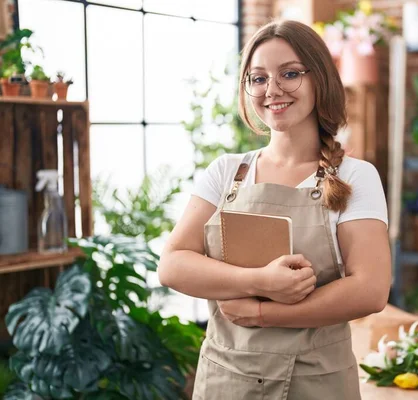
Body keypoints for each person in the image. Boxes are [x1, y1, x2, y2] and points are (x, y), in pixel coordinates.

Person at [158, 19, 391, 400]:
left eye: (290, 74)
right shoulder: (226, 172)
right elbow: (172, 264)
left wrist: (265, 314)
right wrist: (261, 282)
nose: (273, 89)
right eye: (258, 78)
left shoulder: (355, 176)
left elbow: (370, 290)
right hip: (226, 381)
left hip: (317, 383)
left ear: (320, 80)